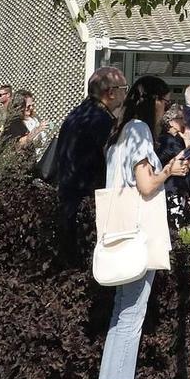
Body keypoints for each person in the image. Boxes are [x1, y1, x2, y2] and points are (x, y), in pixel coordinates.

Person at [99, 75, 190, 379]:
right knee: (131, 313)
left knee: (122, 311)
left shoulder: (120, 131)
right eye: (164, 101)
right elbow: (145, 184)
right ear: (152, 99)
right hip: (138, 233)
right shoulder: (138, 130)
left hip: (119, 229)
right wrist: (168, 171)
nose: (165, 108)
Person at [55, 66, 126, 254]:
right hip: (87, 204)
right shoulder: (100, 121)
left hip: (69, 200)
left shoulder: (79, 113)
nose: (126, 95)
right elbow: (113, 160)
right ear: (111, 93)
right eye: (124, 89)